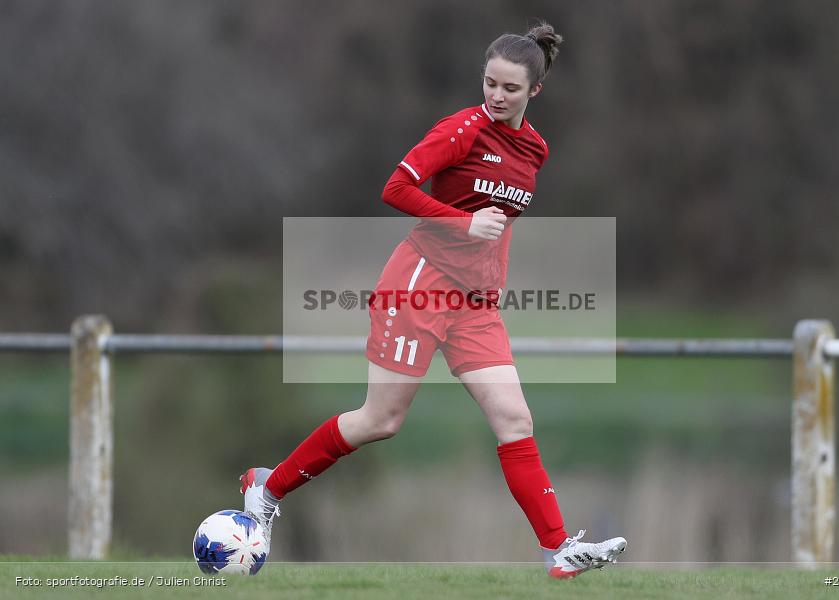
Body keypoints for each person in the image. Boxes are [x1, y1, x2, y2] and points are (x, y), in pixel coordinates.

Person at [241, 22, 626, 579]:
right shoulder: (461, 130)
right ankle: (267, 487)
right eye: (489, 83)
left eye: (510, 89)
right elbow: (395, 189)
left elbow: (501, 224)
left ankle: (558, 550)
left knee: (515, 419)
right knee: (381, 419)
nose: (496, 95)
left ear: (534, 92)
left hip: (474, 303)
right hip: (419, 284)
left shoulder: (535, 149)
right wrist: (463, 223)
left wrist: (490, 279)